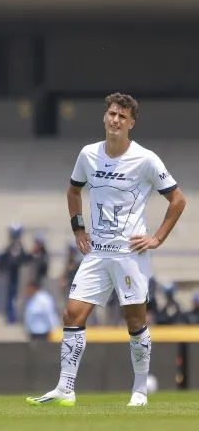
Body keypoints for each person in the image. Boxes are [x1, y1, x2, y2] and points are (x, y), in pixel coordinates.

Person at [26, 93, 186, 408]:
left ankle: (140, 390)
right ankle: (65, 388)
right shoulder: (88, 154)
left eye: (122, 117)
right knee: (72, 313)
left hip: (130, 254)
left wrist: (157, 238)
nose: (115, 120)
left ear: (131, 123)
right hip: (97, 252)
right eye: (112, 114)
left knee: (134, 322)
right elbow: (73, 191)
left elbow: (178, 200)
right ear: (104, 117)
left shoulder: (146, 159)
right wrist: (78, 228)